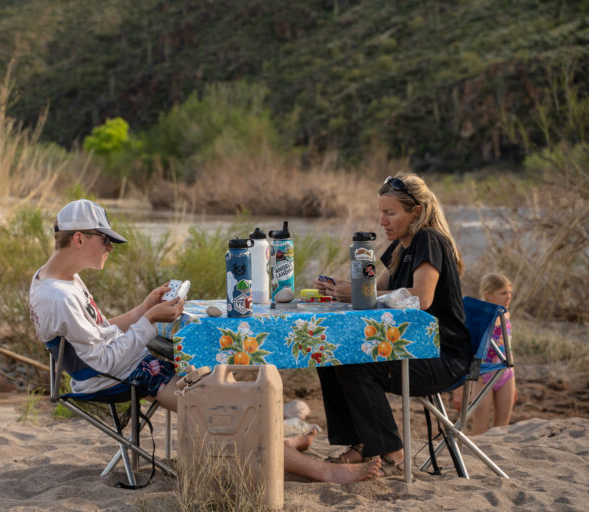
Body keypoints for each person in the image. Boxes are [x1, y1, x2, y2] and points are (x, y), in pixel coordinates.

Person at [30, 199, 381, 484]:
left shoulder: (60, 280)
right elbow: (103, 360)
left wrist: (144, 308)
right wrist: (150, 323)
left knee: (222, 384)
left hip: (127, 364)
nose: (110, 247)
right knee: (227, 411)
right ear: (79, 239)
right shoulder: (58, 296)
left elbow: (102, 332)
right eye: (104, 239)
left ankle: (280, 444)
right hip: (116, 376)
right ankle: (324, 471)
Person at [313, 174, 472, 477]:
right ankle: (360, 444)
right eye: (380, 212)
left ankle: (390, 451)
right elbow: (376, 290)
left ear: (416, 211)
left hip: (442, 356)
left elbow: (421, 298)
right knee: (329, 352)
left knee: (354, 364)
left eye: (390, 212)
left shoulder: (429, 240)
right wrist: (340, 288)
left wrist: (364, 293)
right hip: (414, 347)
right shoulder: (401, 246)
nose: (382, 220)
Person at [467, 273, 516, 434]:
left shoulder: (505, 314)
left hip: (506, 373)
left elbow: (507, 346)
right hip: (482, 375)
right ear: (489, 295)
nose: (508, 297)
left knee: (502, 427)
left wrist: (513, 379)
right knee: (479, 428)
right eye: (503, 293)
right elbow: (470, 350)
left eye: (509, 292)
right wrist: (467, 384)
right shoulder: (479, 318)